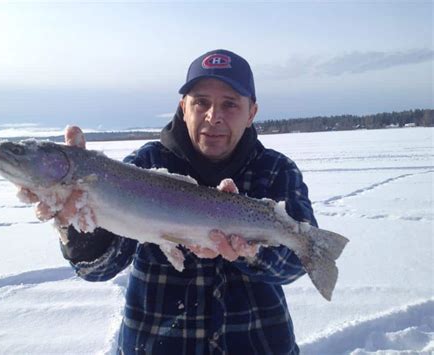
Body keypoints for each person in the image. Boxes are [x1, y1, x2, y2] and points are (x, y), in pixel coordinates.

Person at [23, 49, 317, 354]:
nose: (213, 116)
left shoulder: (276, 170)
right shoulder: (141, 167)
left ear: (251, 112)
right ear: (183, 107)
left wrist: (251, 252)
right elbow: (97, 270)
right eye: (201, 102)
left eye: (229, 104)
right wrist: (77, 228)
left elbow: (300, 261)